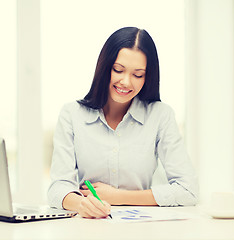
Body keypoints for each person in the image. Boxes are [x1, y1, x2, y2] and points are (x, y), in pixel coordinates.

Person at [47, 27, 198, 218]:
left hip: (141, 227)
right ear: (104, 67)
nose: (126, 82)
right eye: (118, 70)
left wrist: (118, 196)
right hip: (89, 226)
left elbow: (189, 190)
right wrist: (82, 204)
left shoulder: (161, 115)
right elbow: (57, 188)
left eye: (138, 75)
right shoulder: (72, 114)